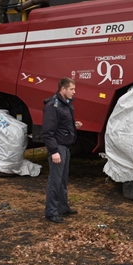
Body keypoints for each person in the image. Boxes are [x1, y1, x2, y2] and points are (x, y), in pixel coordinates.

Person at [42, 77, 83, 223]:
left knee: (63, 180)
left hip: (65, 147)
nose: (74, 92)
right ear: (63, 89)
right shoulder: (53, 105)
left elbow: (61, 124)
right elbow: (47, 132)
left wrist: (73, 124)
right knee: (55, 180)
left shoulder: (66, 105)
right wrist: (54, 151)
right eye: (71, 89)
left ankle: (63, 207)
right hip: (58, 147)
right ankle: (51, 212)